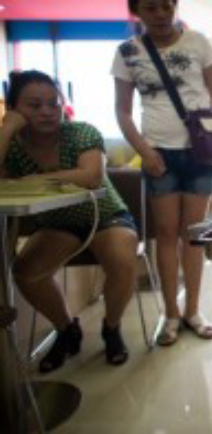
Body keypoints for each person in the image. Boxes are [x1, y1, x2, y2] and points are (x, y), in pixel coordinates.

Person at [0, 70, 139, 372]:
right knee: (26, 272)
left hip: (104, 215)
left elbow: (91, 177)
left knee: (122, 258)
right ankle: (66, 328)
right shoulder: (11, 145)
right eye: (34, 105)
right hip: (58, 223)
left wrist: (35, 179)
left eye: (53, 103)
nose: (47, 111)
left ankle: (111, 327)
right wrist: (6, 129)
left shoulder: (81, 132)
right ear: (14, 109)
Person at [113, 0, 212, 346]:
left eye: (167, 6)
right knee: (165, 234)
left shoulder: (198, 42)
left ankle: (193, 310)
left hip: (201, 151)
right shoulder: (127, 52)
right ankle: (170, 314)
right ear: (137, 12)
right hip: (158, 155)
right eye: (151, 8)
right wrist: (144, 152)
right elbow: (122, 111)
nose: (161, 14)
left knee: (193, 235)